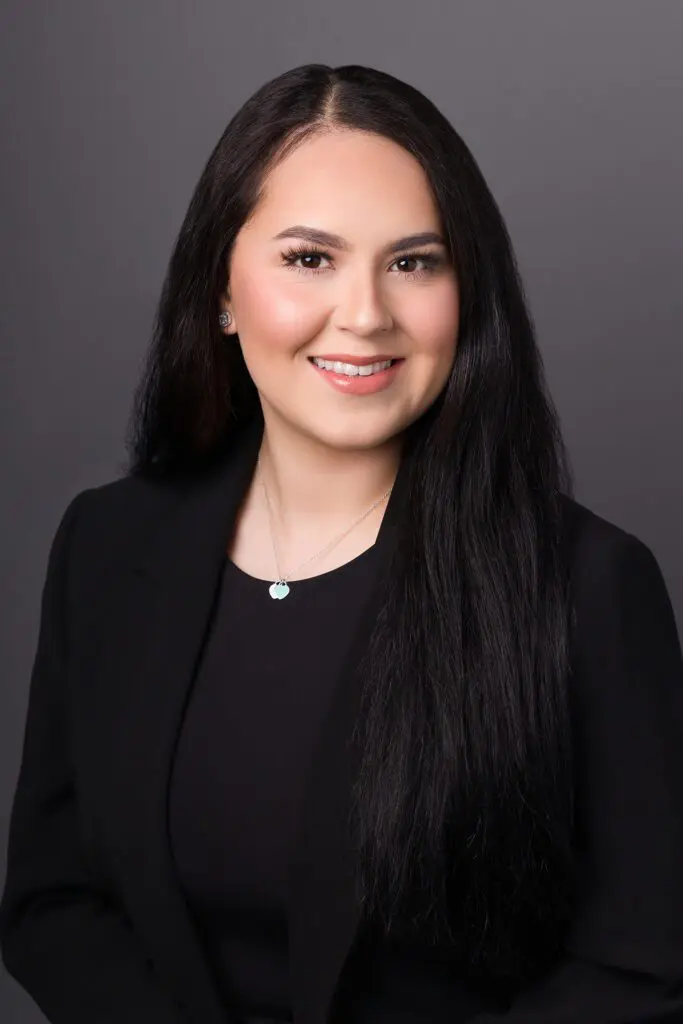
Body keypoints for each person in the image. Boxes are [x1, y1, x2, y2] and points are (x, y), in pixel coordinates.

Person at [1, 62, 683, 1024]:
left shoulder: (590, 586)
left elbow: (642, 965)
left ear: (466, 292)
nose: (365, 314)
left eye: (414, 262)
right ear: (222, 292)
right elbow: (51, 899)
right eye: (309, 258)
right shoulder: (106, 549)